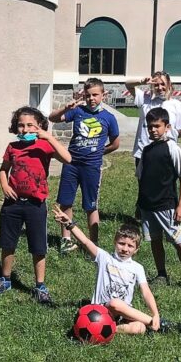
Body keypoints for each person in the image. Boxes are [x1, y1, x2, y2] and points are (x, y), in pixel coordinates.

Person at [52, 206, 181, 336]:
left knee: (139, 328)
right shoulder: (104, 257)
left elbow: (146, 292)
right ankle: (162, 325)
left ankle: (107, 330)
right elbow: (86, 242)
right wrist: (69, 224)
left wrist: (156, 312)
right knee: (115, 303)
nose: (125, 248)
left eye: (130, 246)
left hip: (122, 315)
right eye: (121, 243)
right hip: (101, 311)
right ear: (115, 242)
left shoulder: (137, 268)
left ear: (136, 250)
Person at [0, 107, 72, 305]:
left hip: (36, 204)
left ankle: (40, 285)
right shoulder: (12, 147)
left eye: (30, 125)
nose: (25, 129)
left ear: (40, 126)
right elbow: (4, 170)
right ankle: (6, 279)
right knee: (8, 243)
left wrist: (48, 137)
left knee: (38, 246)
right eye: (21, 125)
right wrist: (4, 184)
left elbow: (68, 158)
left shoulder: (44, 146)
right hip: (13, 204)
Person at [48, 78, 120, 252]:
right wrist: (67, 107)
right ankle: (66, 240)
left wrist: (99, 152)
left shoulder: (108, 118)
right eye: (88, 95)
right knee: (66, 202)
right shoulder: (77, 111)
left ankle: (93, 243)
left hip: (92, 167)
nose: (91, 98)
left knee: (91, 205)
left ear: (103, 95)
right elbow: (52, 118)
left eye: (95, 95)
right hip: (71, 164)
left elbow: (115, 143)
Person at [136, 108, 181, 289]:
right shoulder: (146, 150)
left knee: (178, 241)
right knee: (155, 241)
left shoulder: (172, 148)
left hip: (166, 205)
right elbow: (141, 178)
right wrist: (139, 203)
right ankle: (161, 274)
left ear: (167, 127)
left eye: (157, 126)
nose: (153, 130)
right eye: (149, 127)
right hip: (147, 206)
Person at [125, 71, 181, 167]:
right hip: (143, 153)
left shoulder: (178, 106)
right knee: (144, 182)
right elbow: (128, 84)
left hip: (166, 153)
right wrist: (142, 81)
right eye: (156, 85)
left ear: (169, 84)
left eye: (163, 84)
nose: (160, 88)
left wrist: (164, 136)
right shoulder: (145, 99)